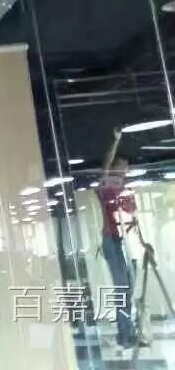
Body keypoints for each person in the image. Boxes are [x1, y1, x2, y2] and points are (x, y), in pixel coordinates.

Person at [98, 127, 137, 348]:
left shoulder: (122, 189)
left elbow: (131, 213)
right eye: (121, 166)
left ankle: (126, 331)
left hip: (121, 242)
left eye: (126, 168)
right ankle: (125, 334)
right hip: (110, 241)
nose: (124, 170)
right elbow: (106, 164)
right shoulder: (106, 185)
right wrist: (115, 141)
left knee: (127, 288)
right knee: (122, 288)